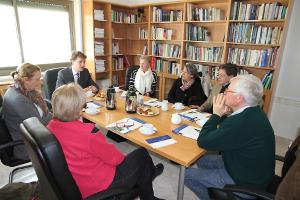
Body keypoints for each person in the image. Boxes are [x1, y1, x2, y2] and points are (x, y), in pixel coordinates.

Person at [47, 83, 164, 200]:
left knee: (142, 165)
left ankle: (148, 172)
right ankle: (149, 190)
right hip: (101, 184)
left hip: (79, 181)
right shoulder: (88, 133)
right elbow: (117, 159)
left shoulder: (50, 127)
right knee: (141, 154)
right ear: (77, 108)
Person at [184, 74, 275, 200]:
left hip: (246, 182)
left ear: (239, 98)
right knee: (201, 160)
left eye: (228, 90)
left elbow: (203, 141)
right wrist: (224, 114)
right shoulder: (253, 110)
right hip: (249, 169)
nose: (224, 92)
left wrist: (216, 114)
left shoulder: (241, 122)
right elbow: (227, 130)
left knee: (186, 175)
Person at [2, 63, 52, 160]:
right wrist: (56, 115)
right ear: (25, 79)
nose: (39, 82)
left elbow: (40, 112)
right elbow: (38, 125)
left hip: (33, 137)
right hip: (28, 146)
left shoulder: (20, 90)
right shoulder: (19, 99)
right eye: (37, 79)